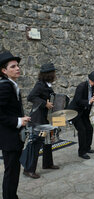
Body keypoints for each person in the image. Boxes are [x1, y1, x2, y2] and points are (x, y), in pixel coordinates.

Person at [0, 51, 31, 199]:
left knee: (13, 171)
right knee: (11, 172)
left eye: (17, 65)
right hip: (9, 137)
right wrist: (18, 121)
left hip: (12, 136)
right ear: (4, 71)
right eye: (13, 66)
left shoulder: (11, 84)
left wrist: (21, 117)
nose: (17, 68)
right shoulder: (5, 86)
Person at [25, 63, 60, 179]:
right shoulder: (40, 85)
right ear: (49, 74)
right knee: (36, 144)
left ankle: (47, 163)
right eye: (53, 72)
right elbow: (30, 97)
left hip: (45, 118)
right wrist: (45, 103)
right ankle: (28, 170)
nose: (55, 74)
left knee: (47, 141)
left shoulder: (47, 85)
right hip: (38, 119)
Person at [68, 71, 94, 159]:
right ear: (92, 80)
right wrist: (89, 101)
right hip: (75, 112)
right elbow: (78, 100)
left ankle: (87, 148)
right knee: (82, 130)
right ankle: (82, 152)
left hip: (84, 112)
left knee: (89, 128)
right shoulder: (81, 86)